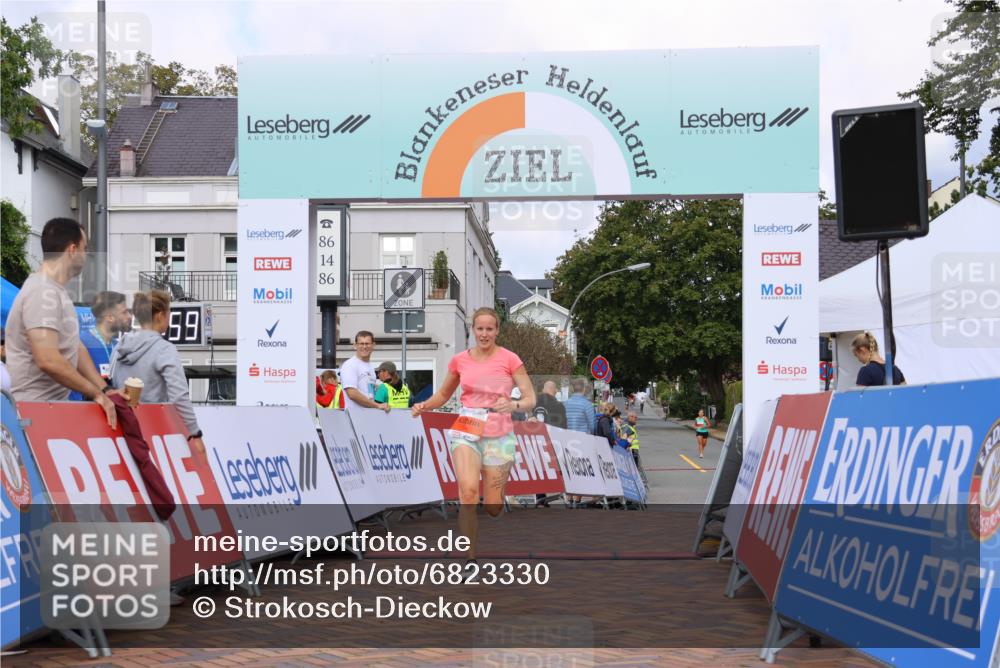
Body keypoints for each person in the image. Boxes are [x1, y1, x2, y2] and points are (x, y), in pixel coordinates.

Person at [412, 307, 535, 574]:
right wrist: (424, 405)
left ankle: (499, 494)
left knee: (492, 507)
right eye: (480, 329)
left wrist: (513, 405)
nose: (484, 334)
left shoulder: (510, 359)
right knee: (467, 492)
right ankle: (469, 559)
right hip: (467, 427)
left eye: (490, 329)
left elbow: (530, 398)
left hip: (499, 433)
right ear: (473, 330)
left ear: (497, 330)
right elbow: (444, 394)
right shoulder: (460, 361)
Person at [5, 218, 117, 428]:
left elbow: (74, 345)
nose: (87, 256)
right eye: (85, 249)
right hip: (33, 414)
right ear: (72, 250)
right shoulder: (42, 291)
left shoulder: (56, 291)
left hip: (49, 410)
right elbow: (47, 359)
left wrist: (105, 390)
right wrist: (95, 394)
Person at [109, 291, 204, 454]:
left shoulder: (118, 348)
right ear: (160, 316)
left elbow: (112, 385)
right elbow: (179, 396)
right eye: (169, 314)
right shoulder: (165, 350)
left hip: (121, 433)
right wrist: (195, 433)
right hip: (155, 434)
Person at [69, 290, 131, 401]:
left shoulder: (118, 346)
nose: (129, 316)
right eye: (124, 312)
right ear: (110, 317)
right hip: (83, 412)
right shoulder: (82, 343)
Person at [339, 331, 390, 412]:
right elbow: (352, 393)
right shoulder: (350, 365)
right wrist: (377, 405)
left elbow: (367, 391)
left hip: (368, 416)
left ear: (373, 345)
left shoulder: (370, 366)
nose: (364, 347)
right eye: (361, 344)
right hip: (355, 417)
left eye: (367, 343)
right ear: (355, 345)